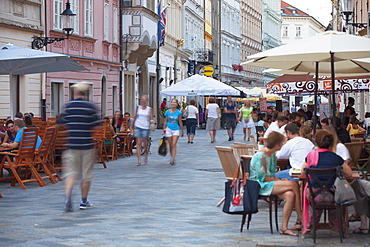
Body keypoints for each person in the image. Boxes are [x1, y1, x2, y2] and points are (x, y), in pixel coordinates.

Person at [56, 82, 100, 212]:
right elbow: (96, 124)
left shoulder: (68, 106)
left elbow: (61, 122)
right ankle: (83, 201)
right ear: (87, 93)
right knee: (86, 175)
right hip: (87, 145)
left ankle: (68, 195)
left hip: (71, 145)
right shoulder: (90, 107)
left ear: (75, 92)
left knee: (70, 173)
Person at [250, 131, 302, 236]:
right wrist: (279, 182)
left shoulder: (272, 155)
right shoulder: (260, 156)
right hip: (259, 185)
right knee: (294, 184)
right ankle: (300, 216)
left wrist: (280, 181)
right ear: (277, 144)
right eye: (282, 143)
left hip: (269, 183)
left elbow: (272, 174)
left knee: (291, 195)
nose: (283, 145)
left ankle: (284, 228)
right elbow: (262, 178)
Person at [301, 129, 352, 234]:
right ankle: (338, 224)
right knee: (339, 194)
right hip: (333, 196)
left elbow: (302, 173)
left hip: (314, 195)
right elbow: (349, 173)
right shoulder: (336, 158)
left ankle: (311, 223)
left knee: (307, 190)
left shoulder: (310, 156)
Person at [131, 95, 153, 166]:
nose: (143, 101)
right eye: (142, 99)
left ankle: (146, 155)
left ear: (147, 101)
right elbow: (134, 117)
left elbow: (151, 119)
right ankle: (139, 160)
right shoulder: (137, 108)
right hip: (138, 126)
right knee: (138, 143)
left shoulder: (149, 109)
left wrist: (151, 124)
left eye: (144, 100)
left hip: (145, 127)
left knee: (145, 143)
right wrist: (132, 126)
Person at [163, 98, 183, 165]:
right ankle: (172, 156)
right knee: (170, 145)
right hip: (168, 129)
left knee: (174, 144)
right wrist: (164, 129)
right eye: (172, 102)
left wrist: (182, 130)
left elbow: (180, 121)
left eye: (174, 102)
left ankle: (173, 159)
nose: (173, 103)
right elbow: (165, 121)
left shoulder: (179, 112)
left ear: (177, 104)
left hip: (176, 129)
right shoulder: (167, 112)